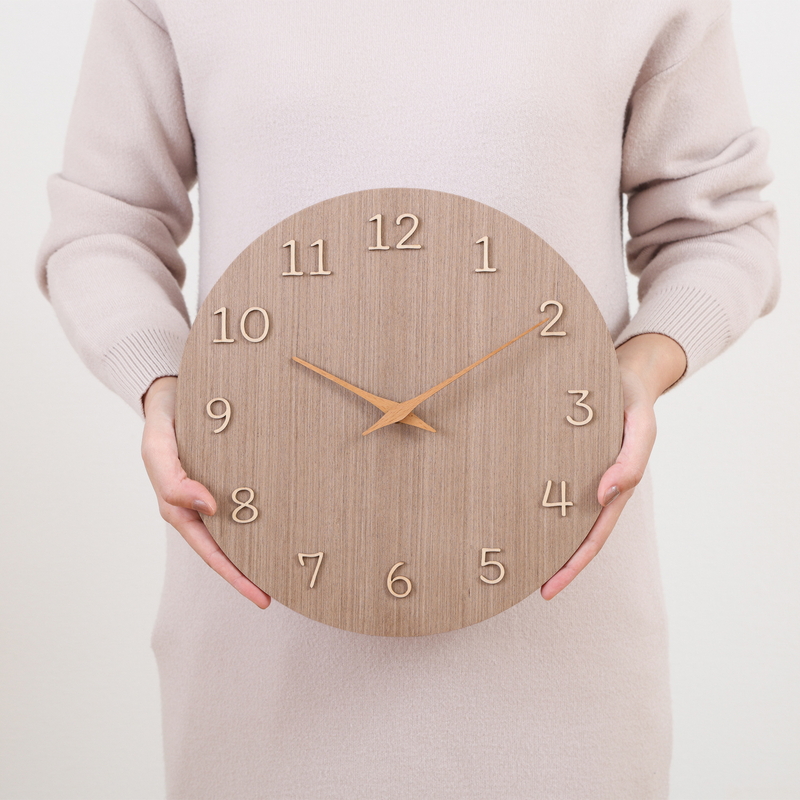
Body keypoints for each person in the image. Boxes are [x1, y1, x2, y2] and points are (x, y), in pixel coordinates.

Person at [35, 0, 779, 797]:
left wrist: (638, 368)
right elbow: (105, 225)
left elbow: (720, 227)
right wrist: (163, 385)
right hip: (261, 628)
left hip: (557, 624)